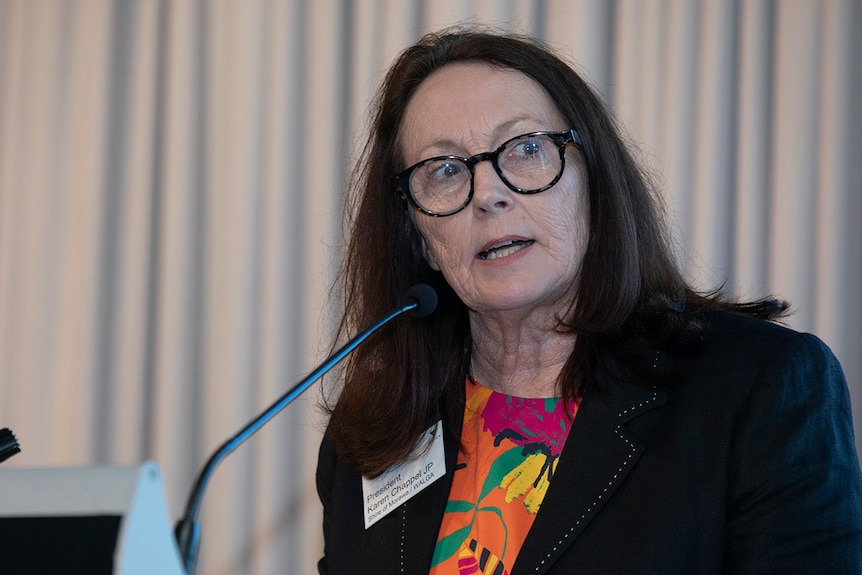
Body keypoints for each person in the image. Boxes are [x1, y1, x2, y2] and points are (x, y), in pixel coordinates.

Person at [316, 27, 862, 574]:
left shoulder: (758, 389)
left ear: (594, 182)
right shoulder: (376, 432)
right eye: (445, 171)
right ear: (419, 237)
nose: (487, 193)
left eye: (526, 148)